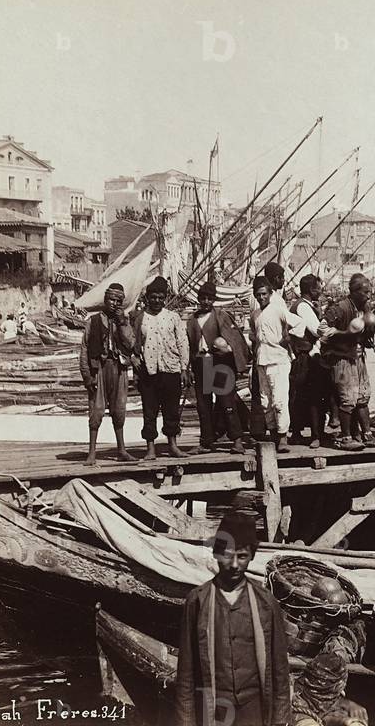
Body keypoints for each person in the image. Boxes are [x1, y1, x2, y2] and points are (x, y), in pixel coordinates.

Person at [174, 508, 291, 726]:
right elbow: (186, 674)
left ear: (252, 556)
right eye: (228, 555)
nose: (235, 564)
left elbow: (280, 672)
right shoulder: (198, 601)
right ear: (217, 553)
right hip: (214, 710)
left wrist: (280, 720)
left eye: (242, 556)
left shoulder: (265, 603)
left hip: (253, 710)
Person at [319, 273, 375, 450]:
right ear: (354, 291)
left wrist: (369, 331)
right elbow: (322, 329)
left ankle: (367, 435)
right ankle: (346, 438)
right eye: (365, 292)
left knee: (363, 396)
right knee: (347, 399)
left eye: (370, 292)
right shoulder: (340, 308)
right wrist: (346, 334)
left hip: (358, 358)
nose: (368, 296)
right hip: (342, 359)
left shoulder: (365, 308)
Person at [187, 282, 250, 454]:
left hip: (221, 364)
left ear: (214, 299)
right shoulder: (192, 320)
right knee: (203, 405)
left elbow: (235, 340)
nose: (206, 302)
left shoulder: (221, 316)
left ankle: (237, 441)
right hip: (201, 364)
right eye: (203, 298)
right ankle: (206, 442)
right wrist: (188, 368)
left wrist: (225, 348)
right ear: (198, 299)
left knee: (227, 402)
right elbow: (189, 346)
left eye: (209, 298)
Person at [132, 276, 190, 460]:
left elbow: (182, 343)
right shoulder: (139, 318)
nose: (156, 301)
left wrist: (184, 369)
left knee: (171, 410)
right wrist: (134, 363)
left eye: (160, 297)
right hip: (149, 371)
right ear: (147, 298)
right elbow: (134, 345)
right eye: (153, 297)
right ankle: (150, 449)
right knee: (149, 411)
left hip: (171, 369)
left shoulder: (173, 317)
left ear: (165, 298)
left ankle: (173, 445)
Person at [79, 283, 136, 465]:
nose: (114, 303)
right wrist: (87, 375)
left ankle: (121, 450)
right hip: (99, 369)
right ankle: (92, 453)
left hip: (119, 369)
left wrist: (122, 323)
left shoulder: (125, 321)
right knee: (96, 411)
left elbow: (131, 344)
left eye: (118, 301)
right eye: (111, 299)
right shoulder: (93, 321)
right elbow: (84, 349)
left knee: (119, 410)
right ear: (105, 299)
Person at [252, 275, 307, 453]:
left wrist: (287, 338)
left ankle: (283, 437)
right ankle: (274, 434)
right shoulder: (255, 315)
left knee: (279, 401)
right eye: (258, 294)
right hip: (262, 360)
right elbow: (253, 334)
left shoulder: (278, 310)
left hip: (278, 360)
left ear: (270, 294)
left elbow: (300, 323)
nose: (261, 297)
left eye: (264, 294)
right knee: (265, 401)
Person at [289, 274, 327, 448]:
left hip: (299, 356)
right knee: (313, 396)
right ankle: (315, 435)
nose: (320, 291)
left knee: (298, 395)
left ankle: (297, 432)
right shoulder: (304, 307)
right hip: (306, 357)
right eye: (319, 288)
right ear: (311, 290)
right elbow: (317, 330)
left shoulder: (298, 305)